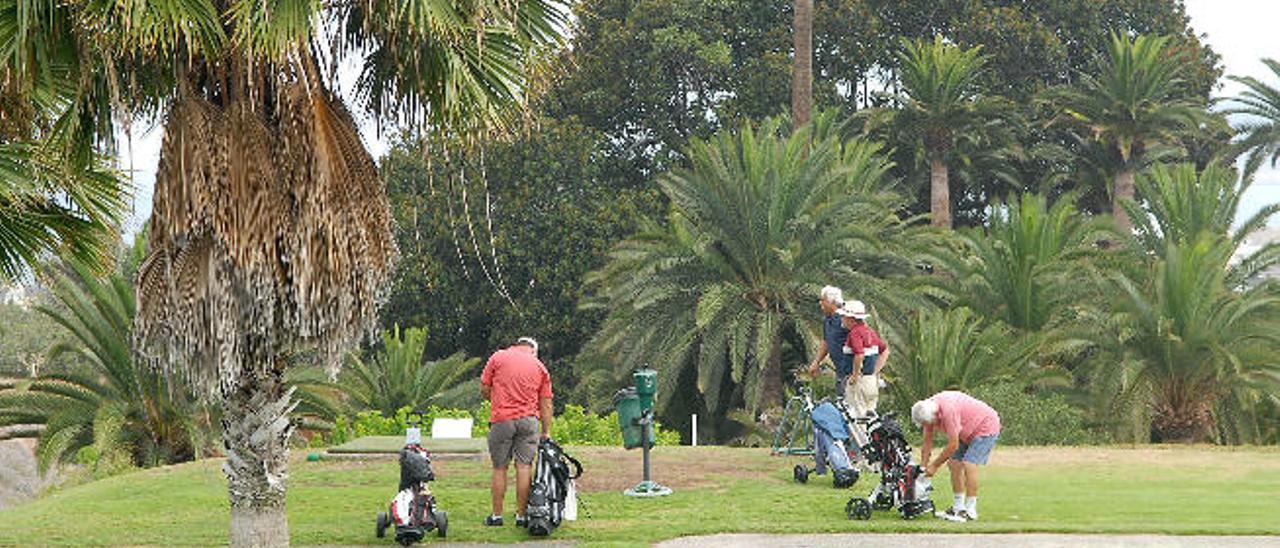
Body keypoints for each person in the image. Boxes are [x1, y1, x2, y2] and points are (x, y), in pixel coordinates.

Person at [480, 336, 554, 527]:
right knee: (524, 467)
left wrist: (497, 402)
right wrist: (546, 431)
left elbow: (484, 388)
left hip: (502, 420)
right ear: (533, 351)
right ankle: (521, 516)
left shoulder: (498, 357)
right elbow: (545, 404)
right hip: (529, 422)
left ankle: (496, 516)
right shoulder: (539, 367)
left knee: (499, 467)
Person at [911, 391, 1002, 522]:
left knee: (969, 464)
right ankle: (958, 508)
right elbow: (927, 442)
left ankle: (970, 511)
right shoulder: (926, 410)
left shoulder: (948, 411)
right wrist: (923, 467)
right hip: (966, 430)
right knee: (953, 463)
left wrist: (934, 466)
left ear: (936, 415)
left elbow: (953, 444)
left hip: (985, 426)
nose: (929, 426)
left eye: (929, 423)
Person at [838, 300, 890, 417]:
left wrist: (855, 375)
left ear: (851, 319)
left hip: (859, 384)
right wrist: (874, 372)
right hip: (871, 382)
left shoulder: (855, 333)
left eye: (843, 316)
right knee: (871, 419)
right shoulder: (870, 332)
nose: (841, 319)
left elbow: (859, 354)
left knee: (858, 420)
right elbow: (885, 351)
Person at [807, 286, 855, 399]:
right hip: (840, 371)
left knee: (853, 409)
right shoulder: (827, 320)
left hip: (852, 372)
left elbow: (861, 335)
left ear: (832, 302)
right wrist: (816, 362)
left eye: (822, 300)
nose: (820, 303)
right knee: (842, 403)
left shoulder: (845, 319)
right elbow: (826, 342)